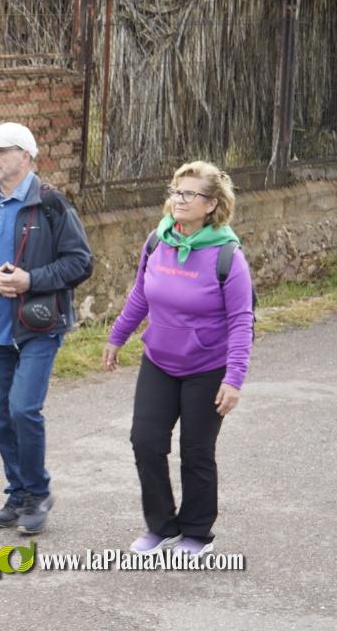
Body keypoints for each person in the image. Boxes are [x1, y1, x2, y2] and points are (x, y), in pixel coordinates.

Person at [102, 161, 253, 557]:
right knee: (145, 442)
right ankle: (161, 525)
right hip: (159, 360)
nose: (179, 199)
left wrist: (234, 378)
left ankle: (197, 533)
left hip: (208, 367)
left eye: (189, 194)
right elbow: (141, 294)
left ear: (211, 205)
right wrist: (117, 336)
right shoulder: (158, 241)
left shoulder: (227, 256)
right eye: (175, 191)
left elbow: (241, 321)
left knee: (196, 451)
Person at [0, 122, 93, 534]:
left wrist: (29, 280)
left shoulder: (51, 204)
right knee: (1, 413)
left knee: (23, 409)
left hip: (38, 325)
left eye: (1, 149)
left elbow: (80, 262)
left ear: (27, 157)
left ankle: (38, 493)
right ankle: (17, 493)